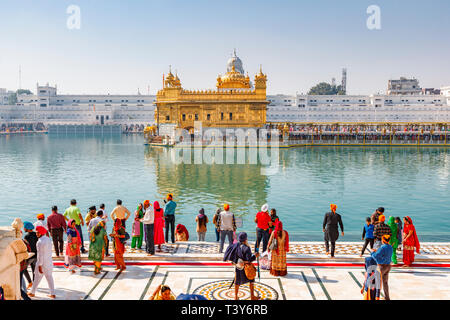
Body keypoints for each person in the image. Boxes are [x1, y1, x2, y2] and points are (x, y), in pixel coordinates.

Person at [223, 232, 259, 300]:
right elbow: (249, 260)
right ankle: (252, 296)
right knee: (251, 280)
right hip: (247, 268)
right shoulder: (247, 248)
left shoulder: (235, 246)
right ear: (245, 239)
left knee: (237, 281)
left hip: (238, 267)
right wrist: (255, 256)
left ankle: (236, 297)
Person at [28, 226, 55, 299]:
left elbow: (40, 255)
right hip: (49, 262)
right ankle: (52, 293)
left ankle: (32, 292)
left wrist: (39, 265)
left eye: (38, 232)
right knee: (49, 278)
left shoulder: (39, 242)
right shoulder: (48, 239)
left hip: (42, 263)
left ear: (41, 232)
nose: (36, 233)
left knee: (37, 277)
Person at [371, 234, 393, 300]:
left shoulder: (382, 247)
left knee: (377, 282)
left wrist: (373, 252)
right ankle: (387, 297)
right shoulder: (390, 247)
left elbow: (375, 256)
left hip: (381, 267)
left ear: (383, 240)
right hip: (388, 266)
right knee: (385, 283)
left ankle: (376, 297)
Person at [23, 221, 38, 290]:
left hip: (30, 255)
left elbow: (25, 247)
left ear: (27, 228)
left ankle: (30, 282)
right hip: (36, 255)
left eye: (24, 227)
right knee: (34, 270)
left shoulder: (26, 236)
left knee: (24, 269)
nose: (24, 229)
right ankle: (34, 284)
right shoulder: (36, 234)